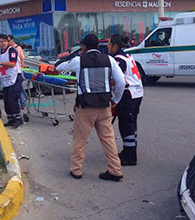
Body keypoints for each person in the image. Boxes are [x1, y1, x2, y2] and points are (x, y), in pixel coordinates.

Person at [56, 34, 126, 182]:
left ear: (84, 47)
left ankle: (77, 170)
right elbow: (121, 82)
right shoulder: (110, 60)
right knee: (109, 140)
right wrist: (115, 100)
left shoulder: (78, 61)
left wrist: (65, 59)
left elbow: (59, 66)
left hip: (85, 108)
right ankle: (115, 170)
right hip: (104, 106)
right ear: (98, 46)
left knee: (79, 140)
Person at [108, 34, 144, 166]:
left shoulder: (118, 59)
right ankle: (129, 150)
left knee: (126, 125)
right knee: (131, 124)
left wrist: (114, 98)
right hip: (137, 93)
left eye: (109, 44)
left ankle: (130, 157)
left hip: (128, 94)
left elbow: (118, 80)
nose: (108, 47)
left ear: (115, 46)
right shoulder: (127, 55)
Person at [0, 34, 23, 128]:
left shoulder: (12, 50)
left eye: (5, 41)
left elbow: (12, 64)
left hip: (15, 77)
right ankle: (11, 119)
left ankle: (18, 119)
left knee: (13, 99)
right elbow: (0, 67)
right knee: (7, 100)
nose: (3, 43)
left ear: (8, 42)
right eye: (1, 41)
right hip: (5, 79)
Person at [7, 34, 26, 110]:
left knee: (19, 88)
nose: (7, 42)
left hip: (17, 71)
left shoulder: (17, 48)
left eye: (8, 40)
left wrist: (22, 67)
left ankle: (22, 103)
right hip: (11, 72)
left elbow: (22, 59)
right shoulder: (7, 49)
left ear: (12, 40)